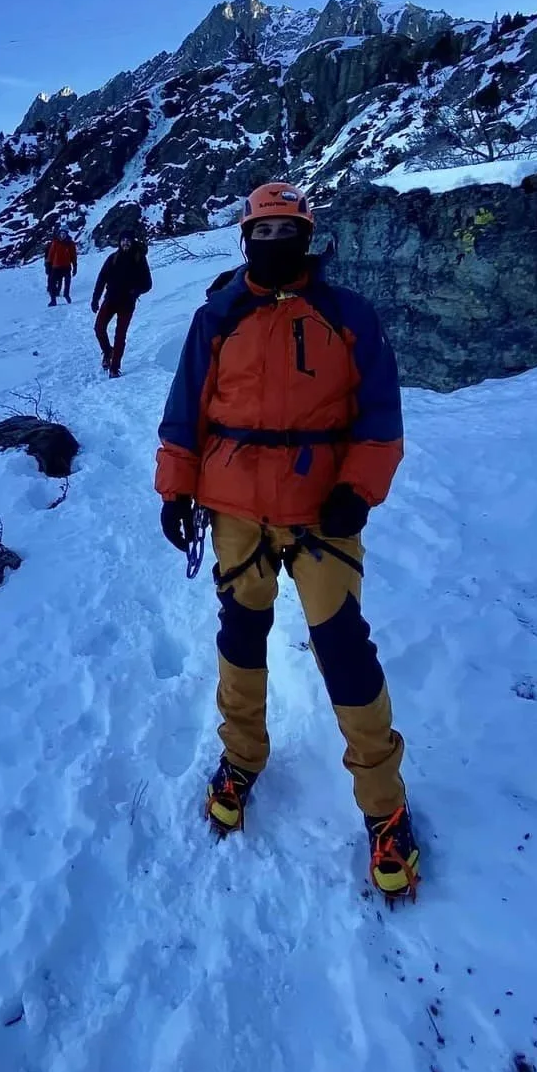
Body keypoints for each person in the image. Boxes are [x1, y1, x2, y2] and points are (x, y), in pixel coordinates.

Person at [154, 182, 419, 899]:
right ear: (245, 238)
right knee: (241, 635)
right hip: (235, 508)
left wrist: (357, 489)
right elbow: (185, 412)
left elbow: (380, 418)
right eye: (262, 231)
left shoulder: (348, 316)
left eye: (286, 230)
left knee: (342, 647)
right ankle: (241, 758)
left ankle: (383, 805)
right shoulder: (218, 316)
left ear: (309, 236)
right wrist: (174, 488)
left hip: (320, 513)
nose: (274, 243)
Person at [92, 230, 152, 377]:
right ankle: (108, 352)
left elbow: (148, 284)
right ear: (119, 242)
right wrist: (95, 299)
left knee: (120, 335)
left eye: (128, 240)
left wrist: (135, 291)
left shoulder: (139, 259)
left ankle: (114, 367)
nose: (125, 243)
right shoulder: (113, 258)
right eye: (123, 240)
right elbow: (101, 279)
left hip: (127, 303)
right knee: (99, 328)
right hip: (110, 300)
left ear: (132, 242)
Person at [44, 226, 78, 305]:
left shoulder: (70, 243)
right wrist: (48, 264)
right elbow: (51, 254)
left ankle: (66, 295)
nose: (62, 235)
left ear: (66, 234)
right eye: (61, 233)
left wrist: (75, 266)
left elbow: (73, 256)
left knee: (67, 282)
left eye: (64, 234)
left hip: (66, 267)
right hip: (56, 267)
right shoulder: (55, 242)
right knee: (52, 283)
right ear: (59, 234)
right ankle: (53, 300)